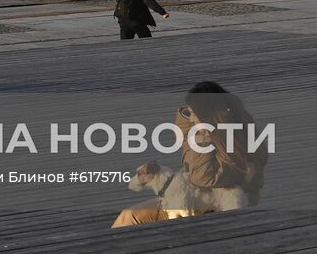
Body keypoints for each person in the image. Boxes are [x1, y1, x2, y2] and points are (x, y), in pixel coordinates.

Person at [112, 82, 267, 227]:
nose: (191, 118)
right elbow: (185, 142)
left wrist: (199, 142)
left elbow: (203, 178)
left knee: (131, 218)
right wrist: (188, 118)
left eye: (194, 113)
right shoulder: (216, 129)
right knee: (129, 216)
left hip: (215, 204)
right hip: (193, 196)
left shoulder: (232, 141)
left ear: (209, 113)